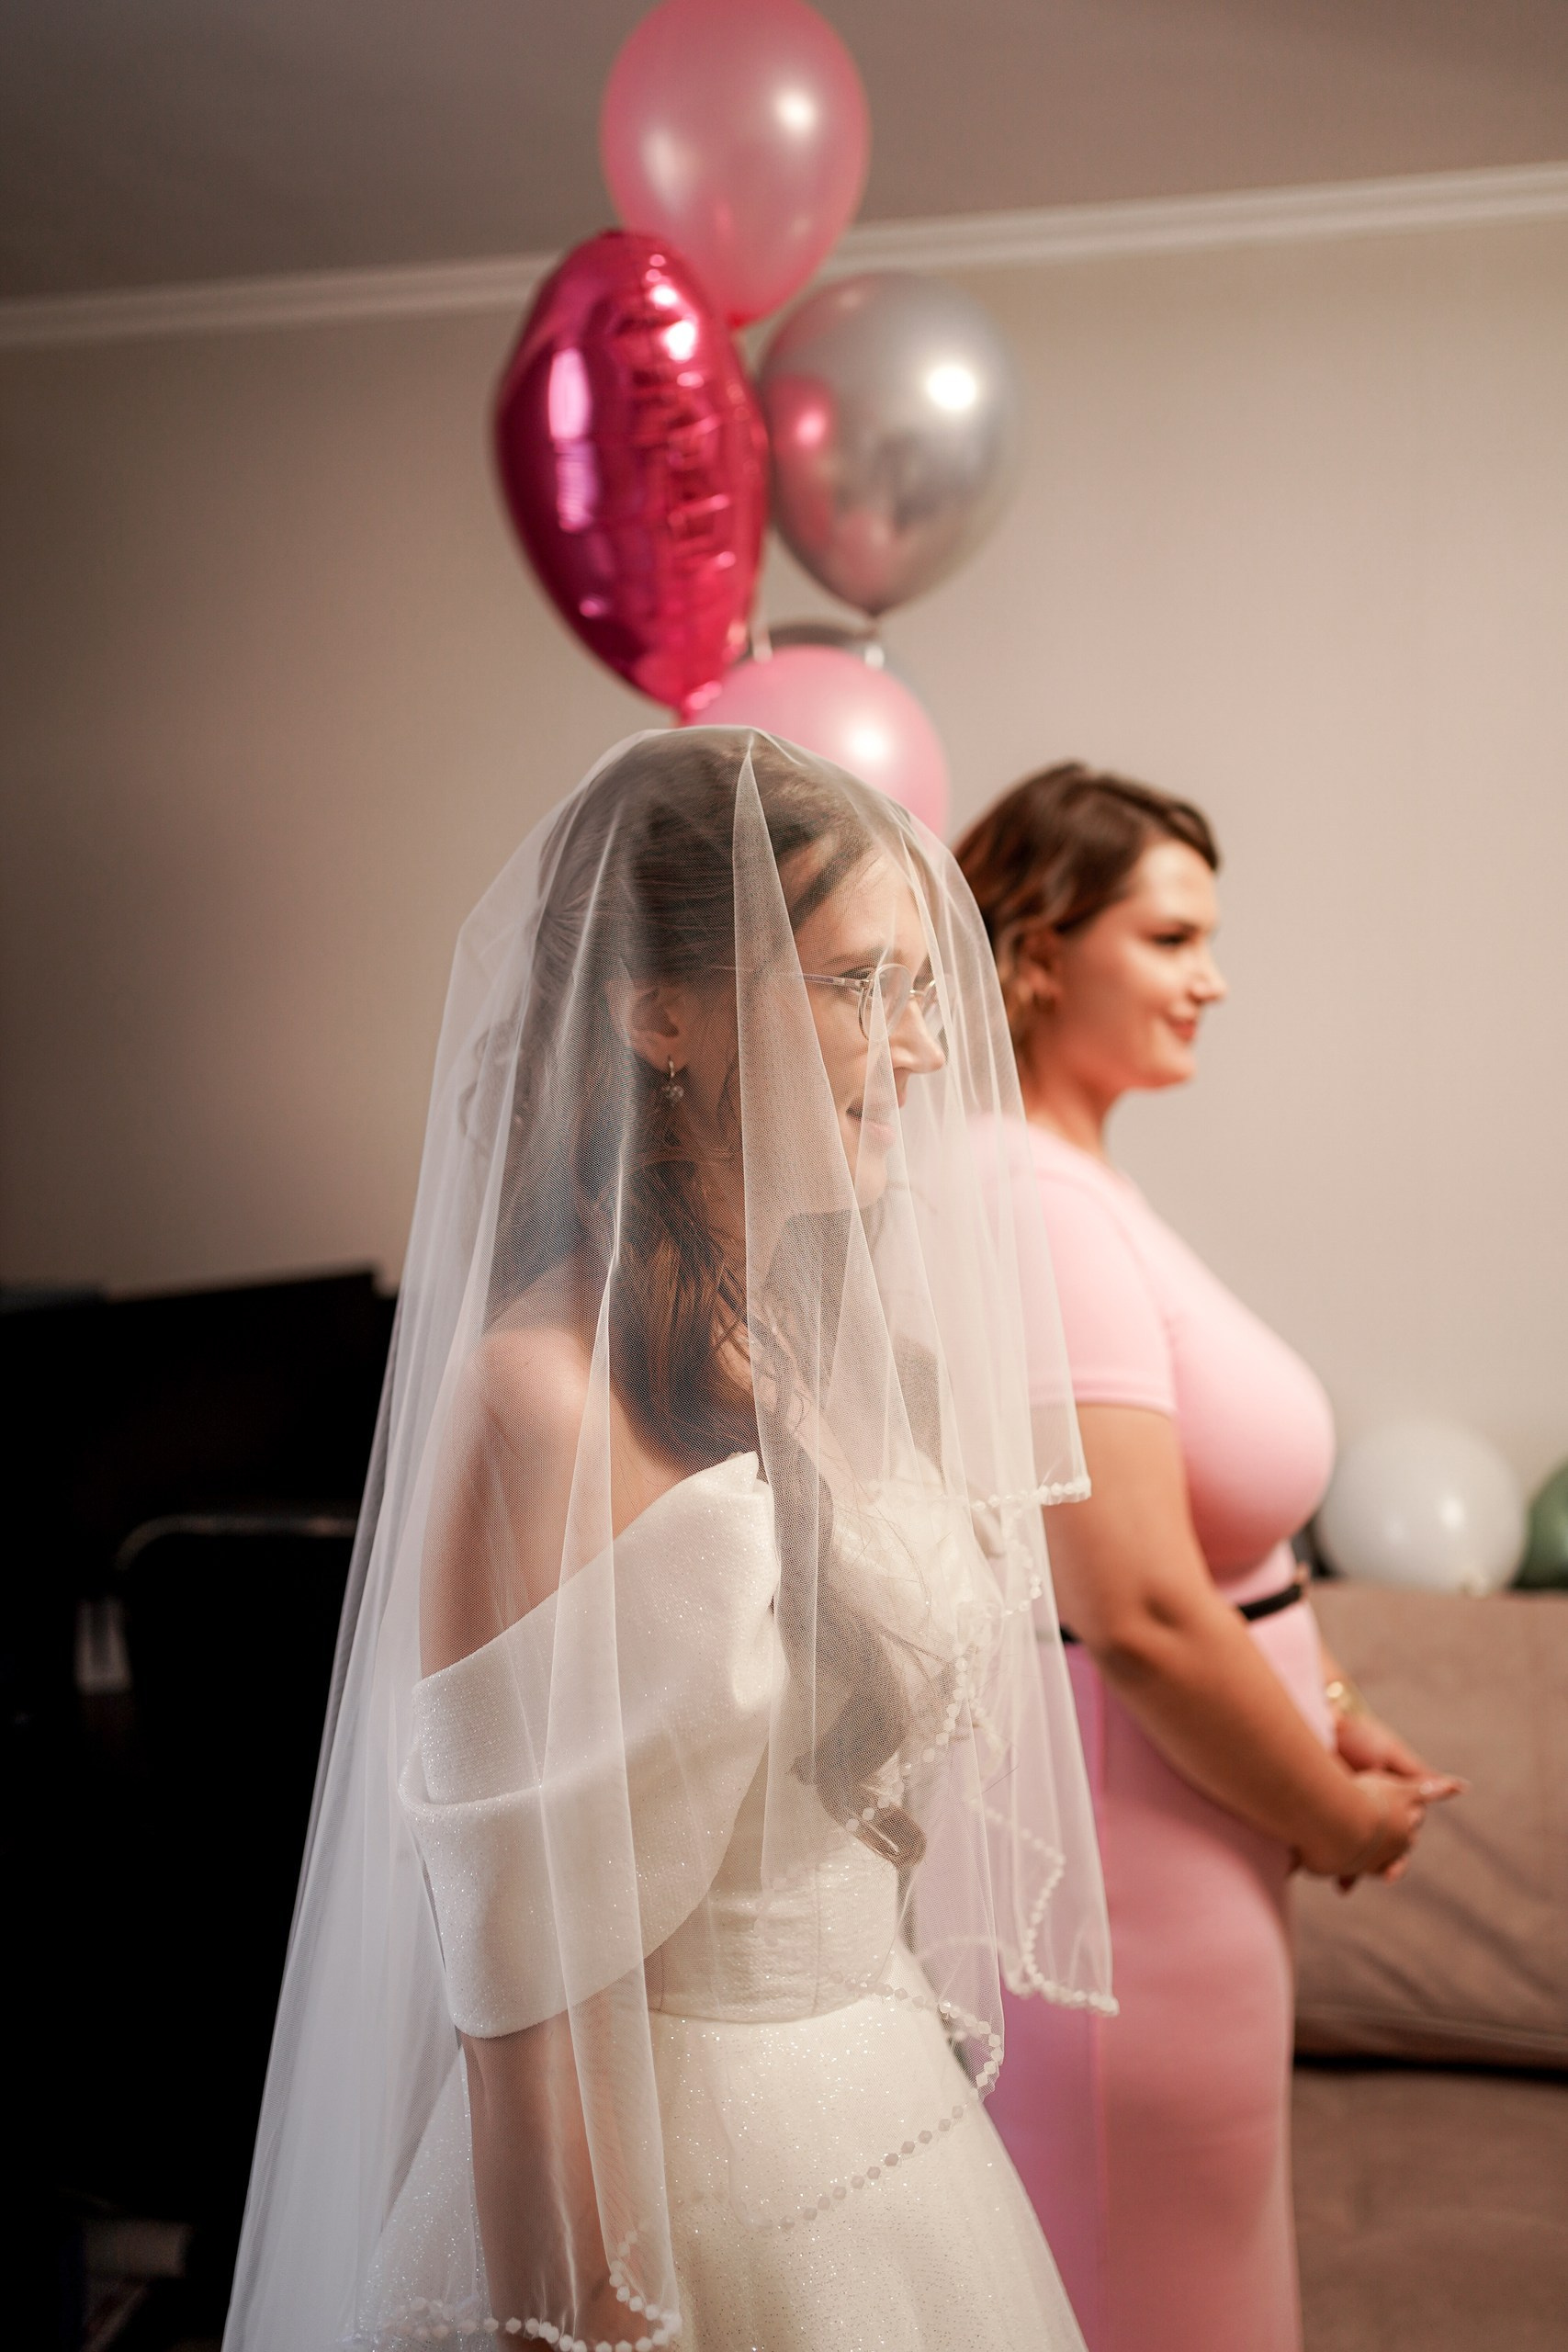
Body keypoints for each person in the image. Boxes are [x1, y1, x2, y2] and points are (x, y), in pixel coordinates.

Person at [224, 729, 1114, 2352]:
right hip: (670, 2201)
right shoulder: (539, 1400)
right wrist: (588, 2321)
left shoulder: (834, 1349)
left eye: (923, 991)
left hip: (892, 2140)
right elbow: (522, 2010)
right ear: (658, 1013)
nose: (922, 1050)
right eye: (858, 986)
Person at [955, 763, 1462, 2352]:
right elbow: (1140, 1610)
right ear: (1041, 952)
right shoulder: (1030, 1202)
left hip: (1181, 1849)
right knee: (1156, 2296)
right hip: (1136, 1873)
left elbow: (1218, 1558)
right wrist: (1335, 1817)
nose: (1213, 980)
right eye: (1172, 939)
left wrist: (1334, 1707)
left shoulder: (1080, 1182)